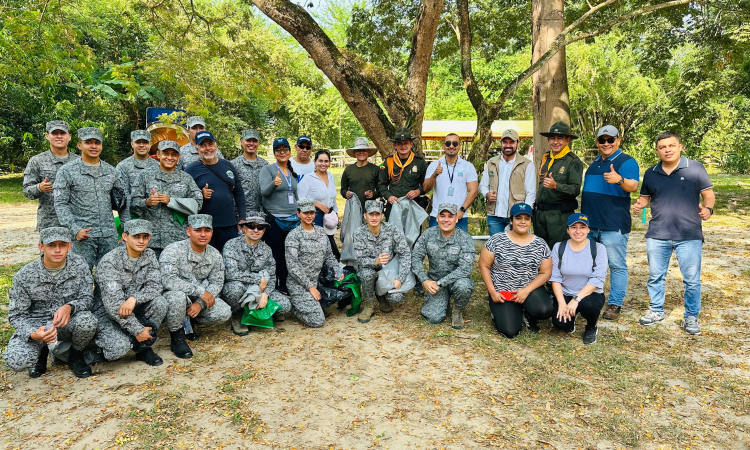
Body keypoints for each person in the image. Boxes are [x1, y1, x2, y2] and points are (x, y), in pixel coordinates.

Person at [633, 131, 715, 335]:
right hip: (658, 232)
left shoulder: (695, 167)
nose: (667, 150)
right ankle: (656, 310)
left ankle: (691, 316)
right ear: (657, 150)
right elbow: (645, 197)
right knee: (655, 276)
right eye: (662, 147)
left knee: (691, 279)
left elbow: (708, 194)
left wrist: (708, 209)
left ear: (680, 147)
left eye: (671, 146)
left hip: (689, 234)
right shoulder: (651, 172)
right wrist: (640, 205)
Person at [3, 227, 97, 378]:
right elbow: (16, 315)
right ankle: (41, 352)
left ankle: (75, 355)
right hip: (37, 325)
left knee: (88, 321)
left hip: (66, 322)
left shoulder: (79, 265)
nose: (57, 250)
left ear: (70, 246)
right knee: (16, 361)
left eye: (62, 245)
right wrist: (33, 334)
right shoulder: (25, 275)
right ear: (41, 247)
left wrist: (69, 307)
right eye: (51, 245)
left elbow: (87, 298)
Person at [581, 125, 640, 321]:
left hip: (613, 225)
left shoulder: (626, 162)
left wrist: (619, 179)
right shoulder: (594, 163)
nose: (606, 144)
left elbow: (633, 186)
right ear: (597, 142)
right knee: (590, 264)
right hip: (591, 225)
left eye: (610, 140)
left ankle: (615, 304)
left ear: (618, 140)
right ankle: (588, 298)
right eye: (602, 140)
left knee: (616, 265)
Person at [92, 219, 167, 366]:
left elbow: (156, 286)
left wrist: (134, 298)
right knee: (118, 350)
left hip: (134, 307)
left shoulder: (149, 255)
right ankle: (91, 347)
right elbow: (114, 306)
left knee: (160, 302)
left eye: (145, 237)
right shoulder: (110, 261)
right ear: (125, 237)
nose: (141, 241)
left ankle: (144, 348)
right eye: (136, 236)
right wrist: (137, 330)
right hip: (108, 314)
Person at [54, 127, 126, 270]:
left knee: (108, 276)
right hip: (82, 235)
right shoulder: (67, 171)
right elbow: (61, 203)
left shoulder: (112, 172)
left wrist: (126, 232)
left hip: (108, 236)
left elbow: (123, 203)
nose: (93, 146)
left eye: (97, 142)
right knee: (80, 276)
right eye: (88, 142)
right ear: (80, 145)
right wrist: (75, 229)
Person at [160, 214, 232, 358]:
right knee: (177, 297)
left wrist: (200, 303)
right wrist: (200, 292)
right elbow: (168, 280)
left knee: (224, 312)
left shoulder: (214, 254)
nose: (203, 234)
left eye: (207, 230)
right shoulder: (173, 250)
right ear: (188, 231)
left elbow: (217, 282)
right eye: (198, 230)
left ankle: (190, 320)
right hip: (175, 296)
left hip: (197, 300)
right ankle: (177, 338)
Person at [478, 203, 553, 338]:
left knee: (545, 310)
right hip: (503, 292)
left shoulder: (540, 244)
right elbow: (484, 266)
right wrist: (493, 292)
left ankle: (527, 312)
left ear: (531, 221)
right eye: (518, 218)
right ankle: (500, 312)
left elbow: (545, 272)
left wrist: (526, 291)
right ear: (511, 220)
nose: (523, 222)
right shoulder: (497, 240)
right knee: (510, 332)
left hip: (529, 290)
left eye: (527, 218)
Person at [221, 213, 292, 336]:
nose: (255, 230)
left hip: (260, 290)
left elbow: (272, 275)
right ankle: (238, 315)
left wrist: (265, 294)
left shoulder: (266, 249)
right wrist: (259, 278)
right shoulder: (231, 245)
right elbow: (231, 273)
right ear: (244, 228)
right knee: (234, 289)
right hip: (241, 288)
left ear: (264, 231)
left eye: (260, 228)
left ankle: (258, 312)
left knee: (285, 306)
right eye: (251, 226)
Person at [131, 140, 203, 258]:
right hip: (150, 240)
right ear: (158, 154)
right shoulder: (144, 176)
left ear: (179, 157)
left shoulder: (186, 179)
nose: (169, 157)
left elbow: (198, 205)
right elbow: (133, 204)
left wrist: (171, 202)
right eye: (165, 153)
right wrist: (146, 203)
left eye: (174, 154)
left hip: (178, 241)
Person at [411, 203, 475, 328]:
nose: (446, 220)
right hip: (435, 283)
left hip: (455, 281)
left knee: (464, 286)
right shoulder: (428, 234)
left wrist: (440, 283)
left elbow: (465, 269)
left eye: (450, 216)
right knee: (434, 318)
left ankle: (457, 310)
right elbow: (415, 257)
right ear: (437, 218)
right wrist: (424, 280)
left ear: (456, 219)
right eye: (442, 216)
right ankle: (442, 301)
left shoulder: (465, 238)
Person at [550, 214, 609, 345]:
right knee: (560, 324)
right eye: (573, 227)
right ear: (567, 230)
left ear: (588, 230)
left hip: (590, 294)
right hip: (566, 293)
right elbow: (555, 277)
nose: (578, 231)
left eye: (582, 227)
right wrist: (561, 303)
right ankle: (572, 315)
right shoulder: (559, 247)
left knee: (588, 305)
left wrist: (576, 299)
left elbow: (597, 279)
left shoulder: (599, 249)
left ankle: (591, 326)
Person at [184, 130, 246, 252]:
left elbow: (238, 193)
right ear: (197, 149)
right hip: (203, 228)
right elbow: (184, 197)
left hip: (229, 225)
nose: (208, 148)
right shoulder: (191, 169)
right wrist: (200, 195)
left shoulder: (228, 165)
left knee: (230, 258)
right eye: (203, 145)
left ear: (216, 146)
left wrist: (242, 219)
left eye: (210, 144)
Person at [285, 199, 342, 328]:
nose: (309, 215)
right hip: (300, 284)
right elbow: (293, 267)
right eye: (305, 213)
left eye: (312, 212)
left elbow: (329, 256)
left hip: (318, 281)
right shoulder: (293, 236)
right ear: (298, 214)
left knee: (345, 286)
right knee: (317, 320)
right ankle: (292, 306)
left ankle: (313, 304)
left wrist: (337, 271)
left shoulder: (321, 232)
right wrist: (310, 287)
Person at [353, 200, 412, 323]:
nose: (374, 218)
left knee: (396, 298)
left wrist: (400, 279)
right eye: (371, 214)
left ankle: (382, 296)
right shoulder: (359, 233)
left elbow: (405, 253)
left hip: (388, 271)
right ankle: (369, 304)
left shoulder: (391, 230)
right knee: (366, 274)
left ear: (382, 216)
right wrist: (376, 261)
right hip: (370, 269)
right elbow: (359, 259)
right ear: (365, 216)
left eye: (377, 214)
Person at [533, 121, 584, 250]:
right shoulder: (546, 157)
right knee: (540, 252)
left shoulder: (573, 161)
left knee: (557, 252)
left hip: (559, 216)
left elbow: (575, 189)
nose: (555, 142)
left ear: (567, 140)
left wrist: (556, 186)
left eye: (560, 138)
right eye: (552, 138)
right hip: (540, 215)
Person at [23, 120, 80, 231]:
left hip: (76, 223)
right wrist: (39, 188)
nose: (59, 136)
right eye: (55, 133)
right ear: (47, 136)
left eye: (62, 133)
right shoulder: (37, 161)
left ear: (69, 137)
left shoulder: (79, 162)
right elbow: (26, 190)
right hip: (49, 223)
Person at [259, 138, 299, 293]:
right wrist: (274, 184)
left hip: (293, 219)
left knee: (291, 254)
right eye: (278, 150)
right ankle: (277, 287)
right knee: (277, 254)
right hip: (274, 219)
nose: (282, 152)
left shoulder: (292, 172)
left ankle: (289, 284)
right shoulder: (268, 170)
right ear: (274, 153)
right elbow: (264, 193)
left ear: (290, 151)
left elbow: (295, 195)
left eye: (285, 149)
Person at [479, 129, 536, 235]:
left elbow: (531, 193)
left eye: (512, 142)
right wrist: (486, 194)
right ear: (501, 143)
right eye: (505, 142)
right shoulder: (492, 162)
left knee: (517, 249)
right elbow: (483, 185)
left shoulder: (527, 164)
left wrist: (525, 215)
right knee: (496, 249)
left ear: (518, 143)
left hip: (517, 216)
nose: (508, 145)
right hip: (494, 215)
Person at [423, 134, 478, 233]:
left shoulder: (468, 166)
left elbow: (473, 190)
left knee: (459, 247)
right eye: (448, 143)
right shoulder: (434, 165)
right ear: (443, 146)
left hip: (459, 216)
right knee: (434, 247)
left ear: (459, 147)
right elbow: (426, 188)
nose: (451, 146)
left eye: (455, 143)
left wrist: (462, 210)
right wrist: (434, 175)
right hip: (438, 216)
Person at [298, 149, 340, 260]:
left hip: (329, 217)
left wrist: (335, 214)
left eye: (326, 161)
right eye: (320, 161)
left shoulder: (330, 176)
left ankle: (330, 273)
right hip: (315, 217)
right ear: (315, 162)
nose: (323, 164)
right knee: (320, 247)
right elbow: (300, 199)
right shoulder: (308, 179)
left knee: (329, 248)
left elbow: (332, 197)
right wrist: (317, 204)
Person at [377, 127, 428, 219]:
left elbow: (426, 184)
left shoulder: (419, 162)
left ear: (411, 144)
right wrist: (389, 196)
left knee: (413, 233)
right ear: (395, 145)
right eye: (399, 143)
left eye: (406, 143)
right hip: (393, 205)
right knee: (392, 232)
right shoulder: (389, 161)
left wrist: (418, 191)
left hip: (413, 205)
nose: (403, 146)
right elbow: (381, 184)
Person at [115, 130, 159, 223]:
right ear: (132, 144)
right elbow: (124, 198)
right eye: (138, 142)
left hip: (155, 220)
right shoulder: (123, 167)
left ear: (150, 144)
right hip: (133, 218)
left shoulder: (158, 166)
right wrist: (127, 224)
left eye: (145, 142)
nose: (142, 145)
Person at [232, 129, 269, 215]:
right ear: (241, 142)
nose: (251, 143)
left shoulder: (265, 165)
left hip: (260, 213)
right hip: (240, 214)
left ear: (258, 143)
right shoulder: (233, 164)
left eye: (255, 141)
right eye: (248, 140)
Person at [341, 137, 380, 208]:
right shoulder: (348, 170)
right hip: (353, 206)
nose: (361, 152)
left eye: (364, 150)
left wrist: (373, 194)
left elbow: (381, 189)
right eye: (358, 150)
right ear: (354, 152)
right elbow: (343, 189)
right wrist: (345, 193)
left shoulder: (375, 169)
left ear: (368, 151)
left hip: (370, 208)